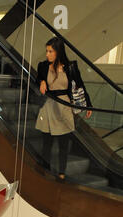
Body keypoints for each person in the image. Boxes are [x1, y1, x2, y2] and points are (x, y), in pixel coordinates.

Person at [35, 37, 93, 180]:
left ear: (58, 52)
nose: (47, 54)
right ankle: (45, 169)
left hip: (64, 106)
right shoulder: (43, 65)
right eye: (46, 51)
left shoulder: (70, 66)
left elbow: (79, 85)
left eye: (50, 51)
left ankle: (62, 173)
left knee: (63, 143)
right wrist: (42, 81)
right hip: (48, 105)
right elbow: (37, 78)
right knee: (46, 142)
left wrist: (88, 104)